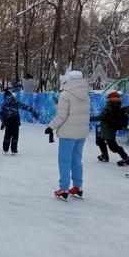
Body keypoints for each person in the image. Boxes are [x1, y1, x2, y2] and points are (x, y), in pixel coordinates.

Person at [45, 70, 90, 199]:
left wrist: (50, 127)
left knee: (65, 161)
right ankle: (77, 186)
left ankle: (63, 188)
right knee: (77, 160)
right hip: (82, 133)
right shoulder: (86, 95)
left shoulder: (66, 95)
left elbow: (61, 116)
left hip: (68, 134)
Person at [90, 92, 129, 166]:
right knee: (99, 140)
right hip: (110, 128)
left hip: (107, 129)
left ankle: (125, 157)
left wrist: (88, 118)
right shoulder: (117, 106)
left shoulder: (108, 107)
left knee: (113, 146)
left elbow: (101, 117)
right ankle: (104, 155)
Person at [0, 87, 38, 154]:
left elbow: (1, 114)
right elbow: (23, 106)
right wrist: (32, 109)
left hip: (7, 121)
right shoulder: (15, 101)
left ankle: (5, 149)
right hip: (15, 120)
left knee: (7, 135)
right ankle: (14, 150)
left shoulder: (4, 104)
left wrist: (3, 122)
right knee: (15, 135)